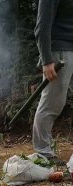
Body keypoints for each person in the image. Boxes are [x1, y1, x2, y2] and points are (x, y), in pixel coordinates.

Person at [33, 0, 73, 163]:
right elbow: (42, 26)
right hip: (60, 52)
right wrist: (47, 60)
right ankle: (44, 153)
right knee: (52, 103)